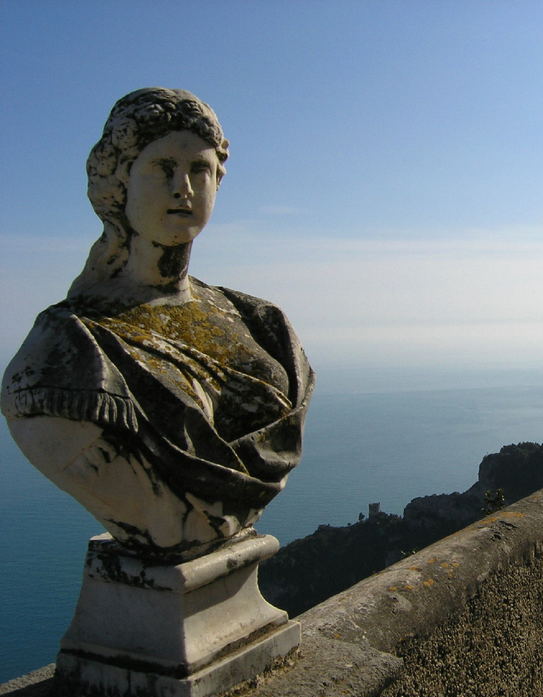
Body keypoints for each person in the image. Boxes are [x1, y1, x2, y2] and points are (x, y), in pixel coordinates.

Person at [1, 88, 314, 559]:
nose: (183, 187)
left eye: (199, 170)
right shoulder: (64, 351)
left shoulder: (261, 321)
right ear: (119, 182)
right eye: (162, 168)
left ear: (218, 182)